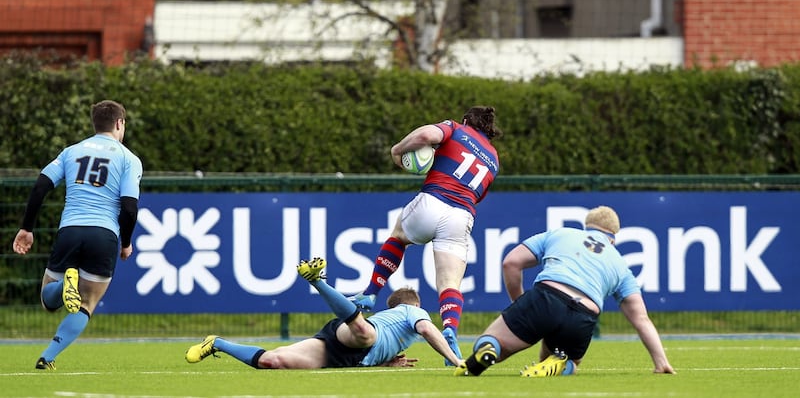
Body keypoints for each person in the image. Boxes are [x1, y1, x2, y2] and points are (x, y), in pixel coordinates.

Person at [348, 106, 501, 365]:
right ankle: (450, 329)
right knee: (450, 283)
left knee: (398, 237)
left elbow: (425, 137)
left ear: (467, 120)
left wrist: (397, 150)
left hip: (433, 200)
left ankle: (370, 293)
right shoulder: (494, 159)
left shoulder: (455, 128)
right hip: (461, 215)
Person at [455, 205, 675, 377]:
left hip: (547, 297)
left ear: (586, 226)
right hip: (584, 316)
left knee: (494, 342)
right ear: (613, 237)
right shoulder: (621, 265)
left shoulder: (561, 234)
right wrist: (661, 362)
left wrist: (520, 304)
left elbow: (510, 263)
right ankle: (561, 365)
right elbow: (641, 319)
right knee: (568, 359)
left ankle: (489, 349)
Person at [12, 100, 142, 371]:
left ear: (95, 123)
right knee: (87, 302)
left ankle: (63, 286)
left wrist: (27, 228)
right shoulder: (128, 158)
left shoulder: (71, 152)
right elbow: (129, 207)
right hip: (104, 235)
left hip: (70, 230)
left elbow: (40, 187)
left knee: (48, 302)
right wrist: (126, 243)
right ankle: (47, 357)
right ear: (119, 124)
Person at [185, 257, 463, 368]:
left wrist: (385, 363)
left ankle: (216, 342)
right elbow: (428, 329)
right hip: (354, 335)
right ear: (413, 305)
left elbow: (373, 354)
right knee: (364, 332)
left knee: (273, 362)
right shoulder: (411, 312)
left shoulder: (397, 334)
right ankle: (318, 281)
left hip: (348, 355)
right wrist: (454, 359)